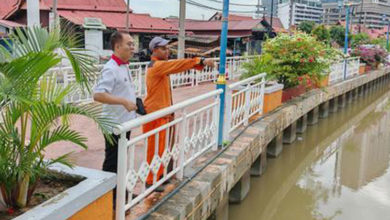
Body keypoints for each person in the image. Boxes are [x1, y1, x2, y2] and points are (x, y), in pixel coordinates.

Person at [143, 36, 215, 187]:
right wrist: (199, 61)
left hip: (164, 113)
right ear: (155, 50)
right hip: (157, 114)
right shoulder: (157, 66)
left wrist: (198, 63)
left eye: (168, 48)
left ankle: (163, 176)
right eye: (163, 48)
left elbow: (177, 65)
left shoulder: (160, 65)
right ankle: (152, 181)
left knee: (166, 147)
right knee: (155, 149)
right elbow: (178, 65)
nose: (167, 51)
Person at [93, 31, 137, 174]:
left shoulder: (124, 66)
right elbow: (98, 95)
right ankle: (109, 194)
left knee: (122, 160)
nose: (133, 48)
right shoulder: (110, 68)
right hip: (114, 126)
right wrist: (124, 102)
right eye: (129, 44)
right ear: (117, 47)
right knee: (112, 163)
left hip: (125, 123)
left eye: (133, 44)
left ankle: (119, 194)